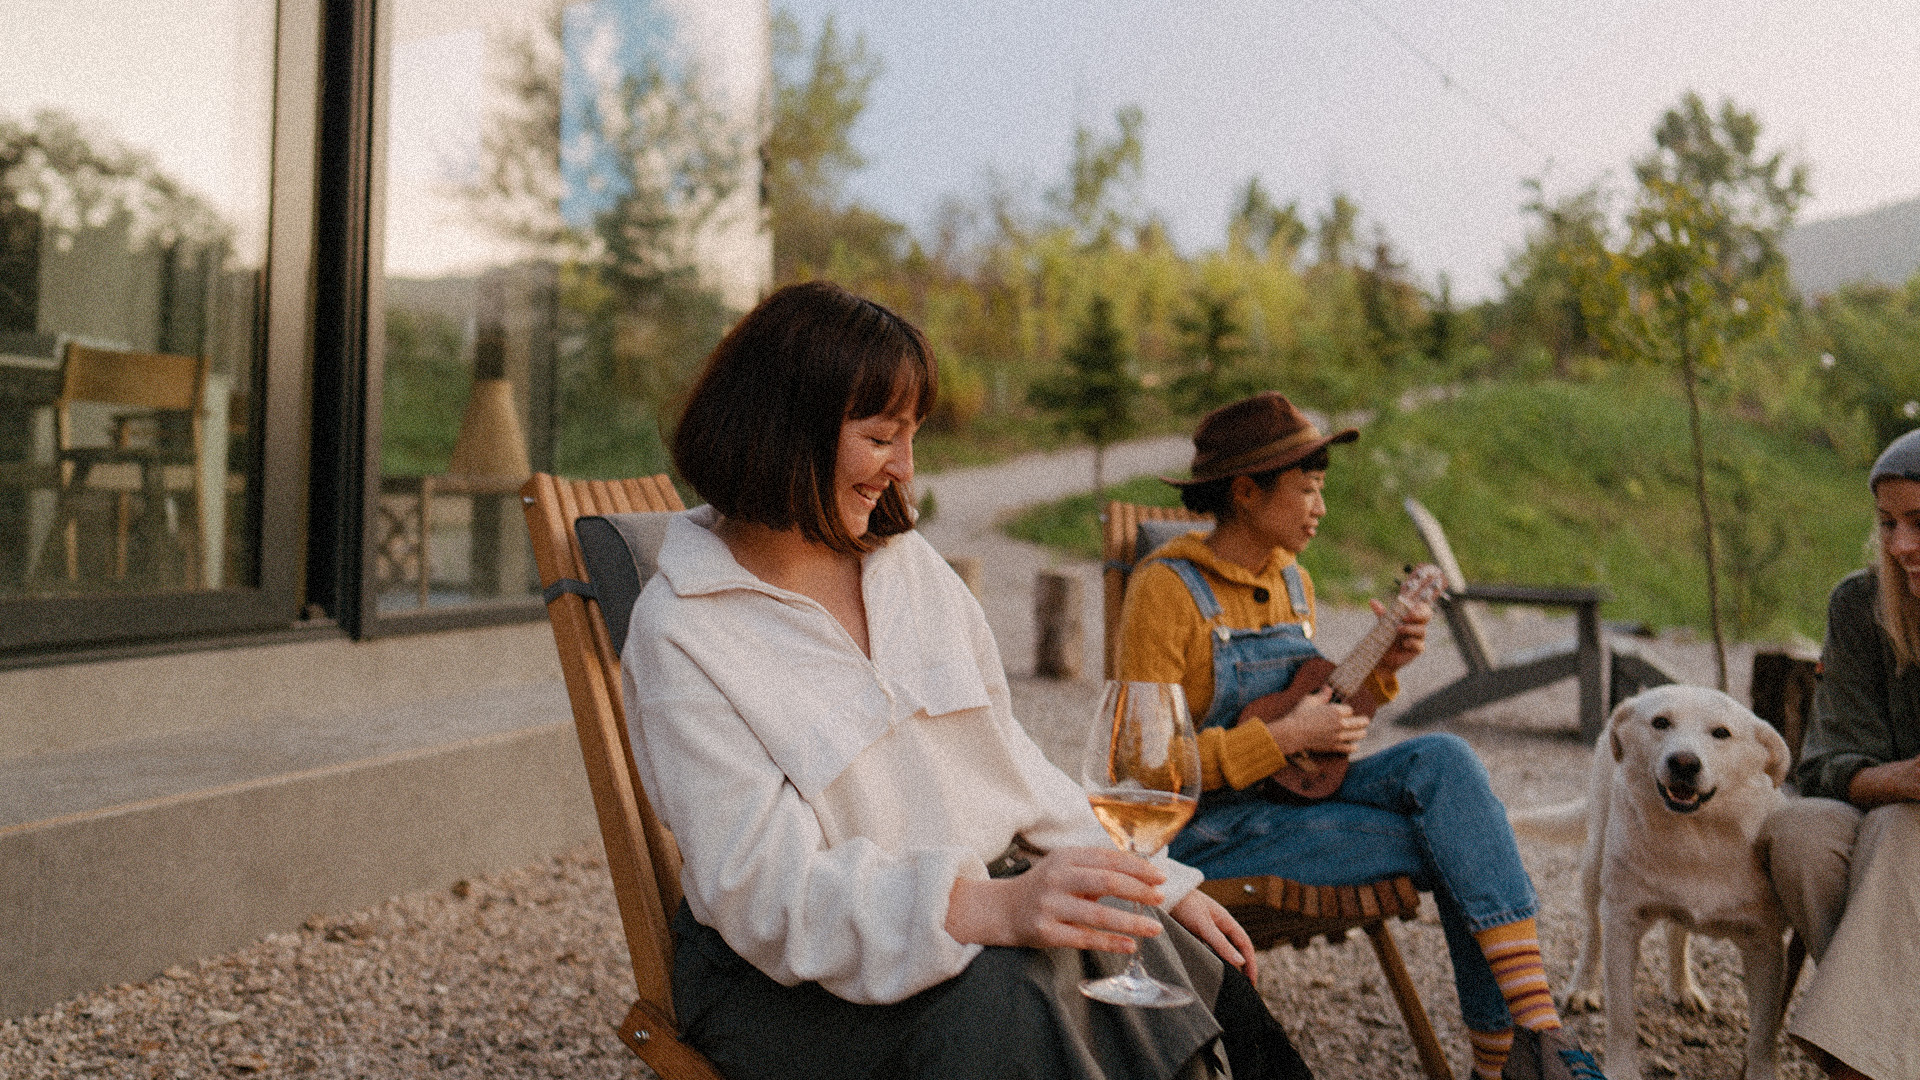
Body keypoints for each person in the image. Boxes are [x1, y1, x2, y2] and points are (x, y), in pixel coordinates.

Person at [620, 281, 1311, 1080]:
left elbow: (1004, 755)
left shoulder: (903, 564)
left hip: (956, 916)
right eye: (883, 438)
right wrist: (992, 907)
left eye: (911, 438)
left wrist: (1156, 883)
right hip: (782, 984)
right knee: (1028, 991)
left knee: (1163, 949)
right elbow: (764, 895)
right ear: (788, 435)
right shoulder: (686, 630)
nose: (905, 470)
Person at [1115, 392, 1609, 1080]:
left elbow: (1319, 737)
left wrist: (1384, 670)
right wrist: (1281, 739)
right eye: (1308, 490)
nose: (1321, 507)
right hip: (1212, 836)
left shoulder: (1293, 580)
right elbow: (1136, 768)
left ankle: (1535, 1034)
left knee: (1445, 757)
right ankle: (1513, 1062)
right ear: (1247, 492)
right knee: (1462, 843)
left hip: (1293, 805)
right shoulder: (1164, 591)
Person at [1761, 427, 1920, 1080]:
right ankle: (1890, 1045)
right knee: (1798, 831)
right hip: (1894, 829)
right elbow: (1824, 766)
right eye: (1887, 524)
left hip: (1898, 832)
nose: (1901, 544)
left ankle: (1858, 1062)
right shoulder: (1860, 604)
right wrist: (1909, 777)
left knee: (1894, 823)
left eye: (1919, 522)